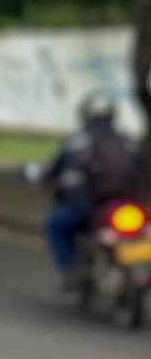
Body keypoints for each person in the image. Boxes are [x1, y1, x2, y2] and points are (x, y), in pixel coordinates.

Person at [43, 92, 145, 288]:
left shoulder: (78, 141)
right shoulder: (127, 141)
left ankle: (70, 270)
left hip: (90, 210)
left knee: (55, 224)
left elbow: (57, 171)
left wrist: (44, 181)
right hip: (129, 208)